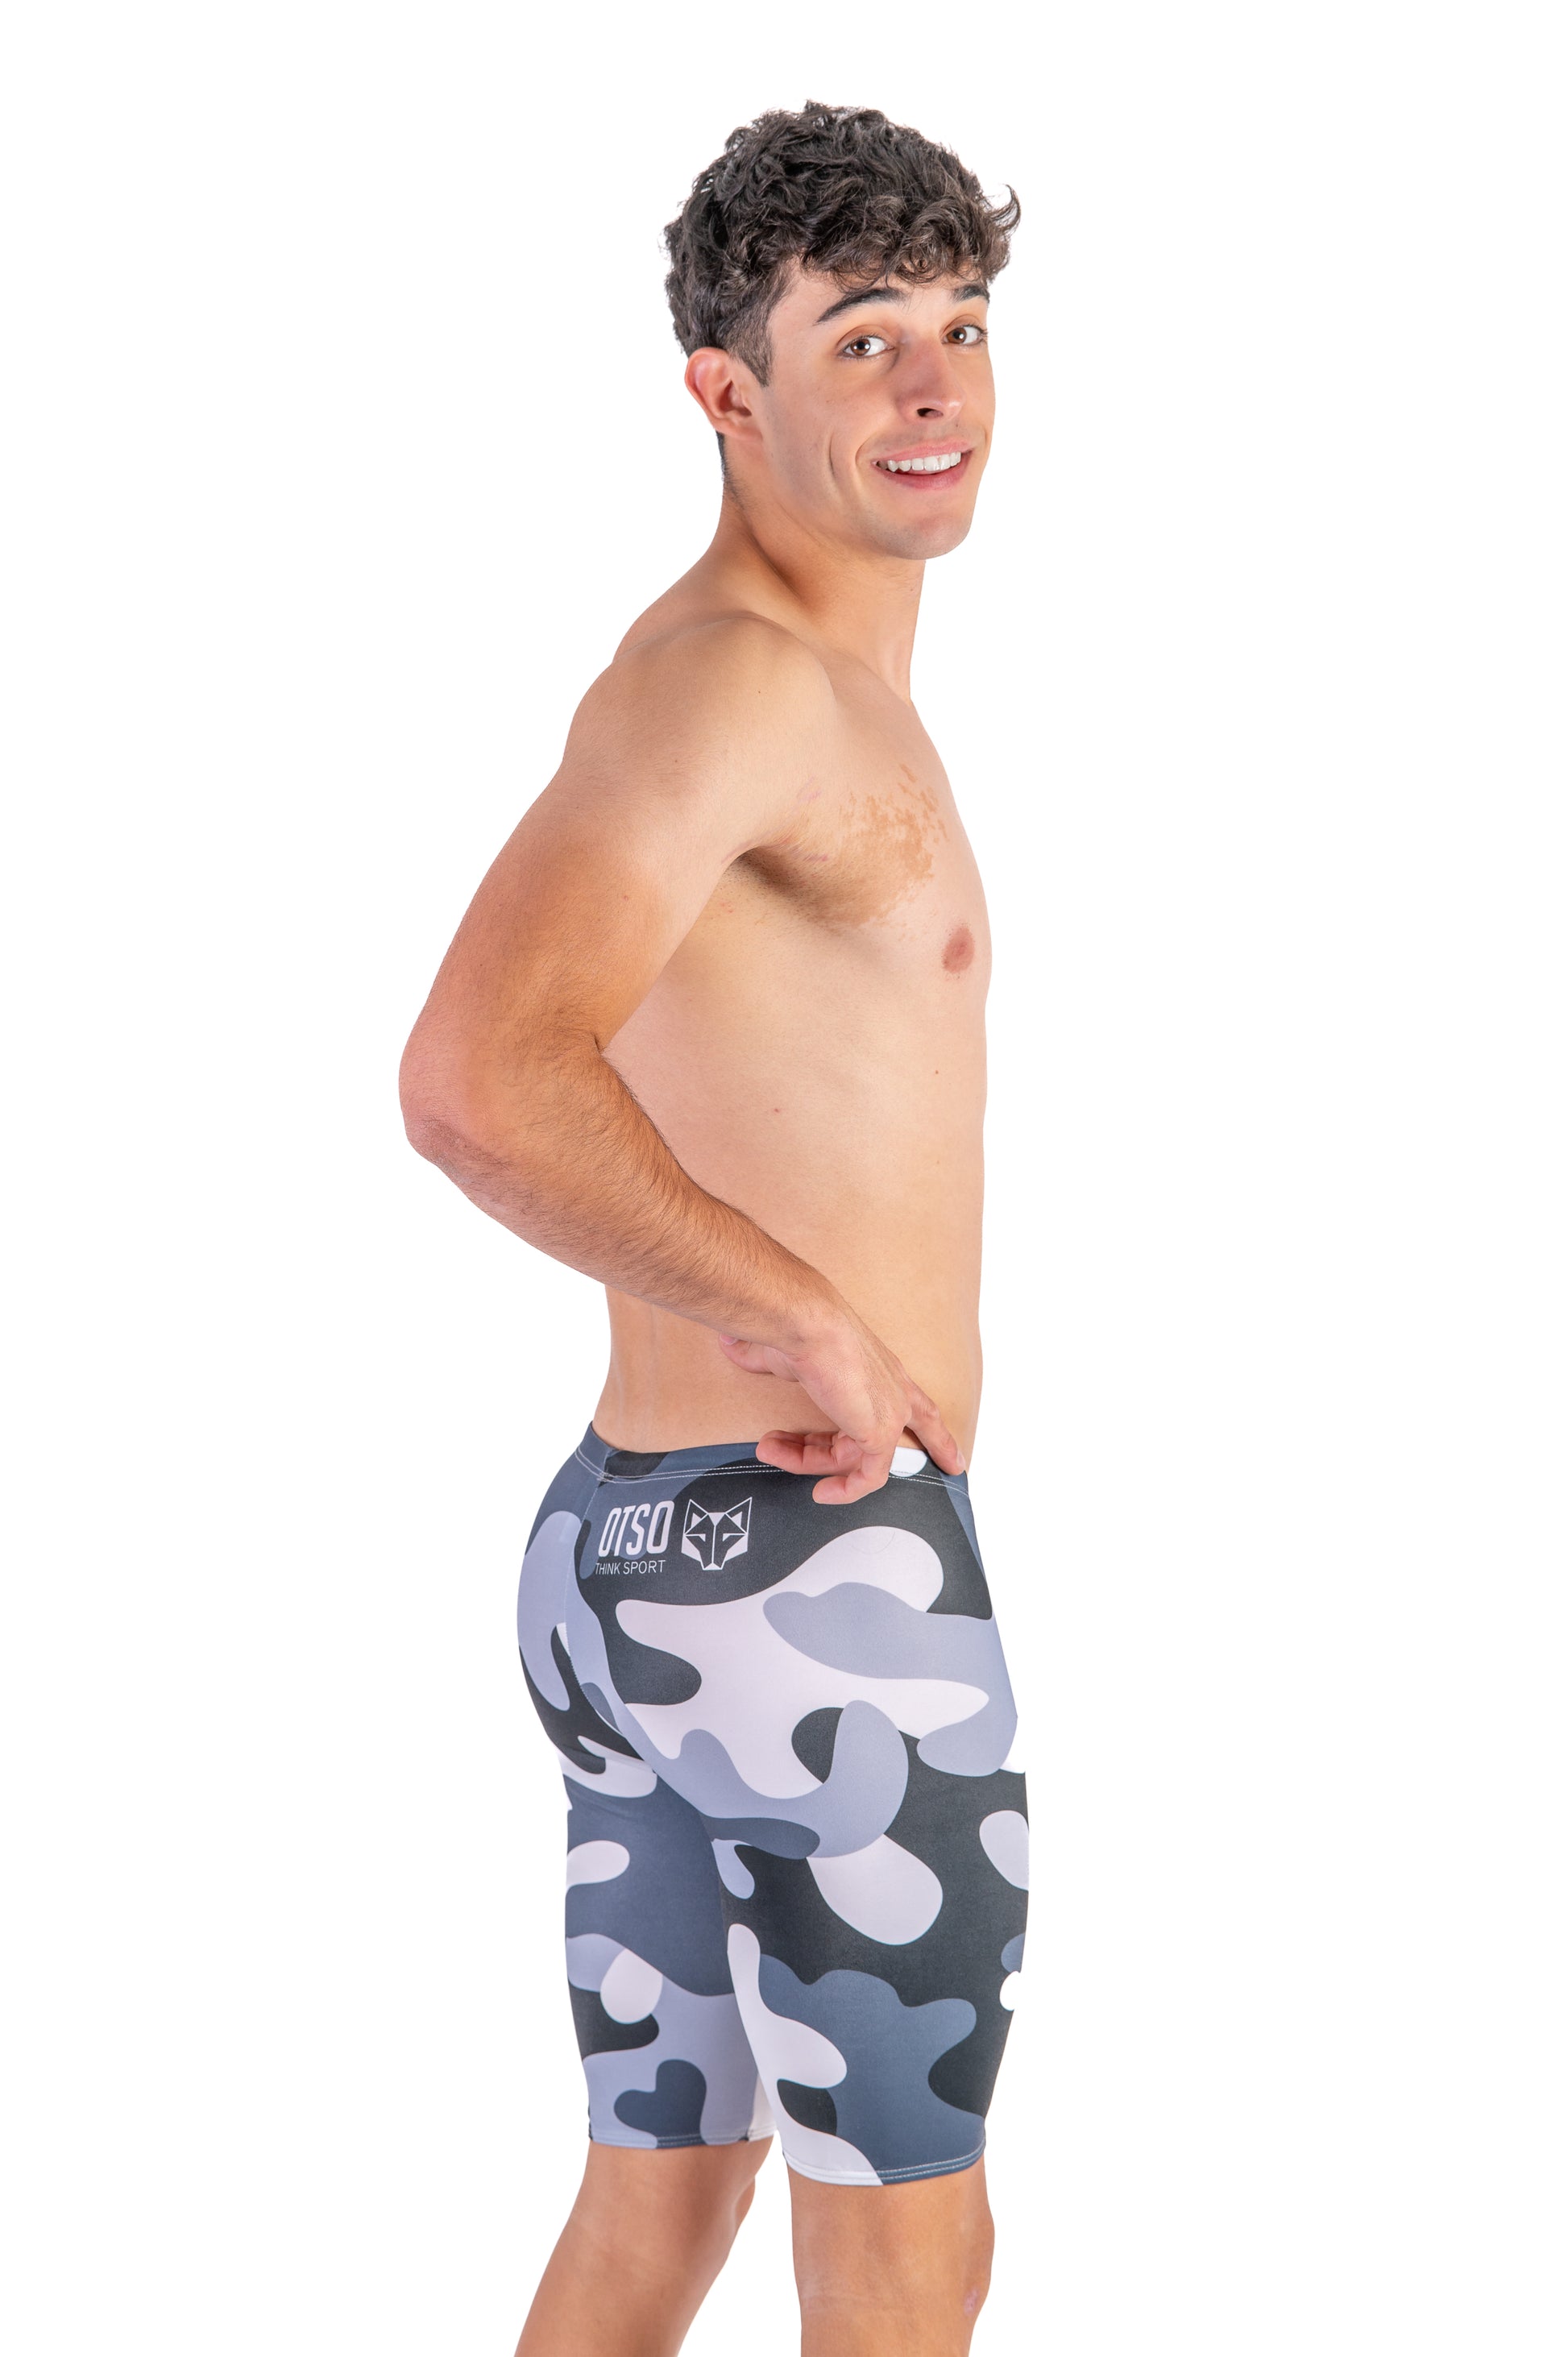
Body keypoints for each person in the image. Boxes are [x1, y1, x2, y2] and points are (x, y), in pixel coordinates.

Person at [400, 102, 1028, 2357]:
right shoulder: (740, 682)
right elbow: (477, 1079)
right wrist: (806, 1320)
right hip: (810, 1582)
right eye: (862, 339)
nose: (935, 386)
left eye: (962, 324)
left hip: (635, 1555)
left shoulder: (770, 681)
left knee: (659, 2195)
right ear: (726, 393)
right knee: (910, 2234)